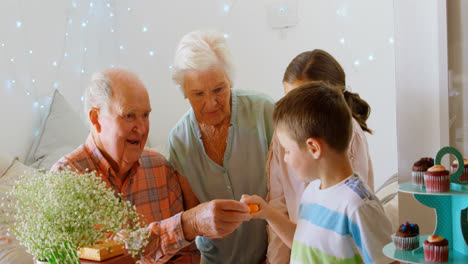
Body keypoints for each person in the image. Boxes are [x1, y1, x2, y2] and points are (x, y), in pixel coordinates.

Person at [51, 68, 252, 263]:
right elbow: (105, 257)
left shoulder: (160, 168)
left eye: (145, 115)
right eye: (129, 115)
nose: (141, 128)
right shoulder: (66, 177)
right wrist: (187, 224)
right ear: (96, 119)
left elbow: (187, 255)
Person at [242, 82, 394, 264]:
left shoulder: (358, 206)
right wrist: (267, 213)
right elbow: (303, 245)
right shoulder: (313, 192)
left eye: (288, 150)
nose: (285, 159)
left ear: (313, 148)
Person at [168, 30, 274, 263]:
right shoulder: (179, 141)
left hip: (273, 257)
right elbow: (192, 217)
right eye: (198, 94)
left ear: (229, 80)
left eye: (218, 89)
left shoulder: (264, 112)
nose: (211, 103)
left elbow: (288, 198)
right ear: (184, 92)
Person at [267, 49, 375, 263]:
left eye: (301, 102)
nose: (293, 113)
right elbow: (278, 205)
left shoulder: (355, 201)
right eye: (289, 100)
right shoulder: (284, 137)